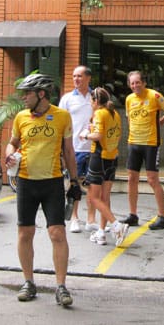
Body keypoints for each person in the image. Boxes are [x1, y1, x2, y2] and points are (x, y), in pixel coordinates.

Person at [4, 73, 78, 307]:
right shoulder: (21, 117)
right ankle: (28, 282)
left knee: (57, 233)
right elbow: (12, 143)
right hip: (26, 182)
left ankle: (61, 286)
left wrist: (75, 181)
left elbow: (69, 151)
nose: (23, 98)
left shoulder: (62, 116)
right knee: (25, 233)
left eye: (27, 93)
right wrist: (8, 154)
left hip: (52, 182)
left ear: (41, 94)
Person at [121, 70, 164, 229]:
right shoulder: (129, 99)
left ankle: (162, 217)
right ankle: (133, 215)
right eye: (132, 83)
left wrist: (159, 123)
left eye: (137, 82)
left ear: (144, 83)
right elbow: (129, 118)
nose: (135, 86)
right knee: (132, 178)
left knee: (152, 180)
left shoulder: (154, 96)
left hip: (151, 144)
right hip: (133, 143)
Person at [82, 87, 129, 247]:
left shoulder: (99, 114)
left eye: (91, 100)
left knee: (93, 198)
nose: (90, 103)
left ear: (96, 101)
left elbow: (98, 135)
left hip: (99, 157)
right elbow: (117, 134)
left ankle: (116, 225)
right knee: (105, 197)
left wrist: (85, 135)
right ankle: (101, 232)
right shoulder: (114, 113)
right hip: (112, 157)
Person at [58, 65, 95, 234]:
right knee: (74, 183)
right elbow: (59, 124)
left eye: (79, 76)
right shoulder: (67, 99)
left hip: (93, 147)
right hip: (74, 148)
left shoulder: (96, 96)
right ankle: (74, 218)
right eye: (74, 76)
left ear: (88, 78)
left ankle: (91, 220)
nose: (76, 79)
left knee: (94, 185)